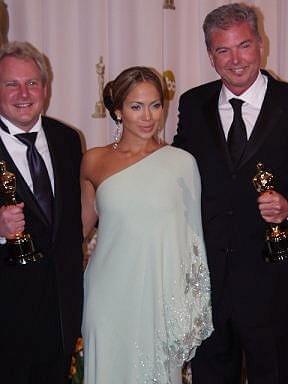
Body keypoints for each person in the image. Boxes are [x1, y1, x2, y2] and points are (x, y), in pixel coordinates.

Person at [173, 3, 288, 383]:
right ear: (210, 54)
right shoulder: (192, 104)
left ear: (261, 45)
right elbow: (176, 174)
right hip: (208, 284)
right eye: (223, 50)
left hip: (275, 283)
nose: (235, 59)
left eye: (243, 45)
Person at [81, 66, 213, 384]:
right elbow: (79, 230)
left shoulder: (182, 163)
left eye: (155, 105)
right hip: (107, 295)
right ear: (117, 110)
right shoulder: (93, 160)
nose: (148, 117)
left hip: (159, 299)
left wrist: (187, 310)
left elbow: (194, 242)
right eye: (136, 106)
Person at [0, 41, 83, 384]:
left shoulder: (67, 139)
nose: (23, 93)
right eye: (11, 84)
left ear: (46, 89)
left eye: (32, 83)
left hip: (60, 316)